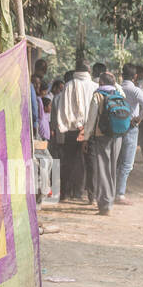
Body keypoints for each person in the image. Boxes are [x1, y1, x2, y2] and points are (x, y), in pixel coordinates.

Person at [78, 70, 126, 215]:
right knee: (111, 169)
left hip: (101, 136)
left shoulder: (98, 95)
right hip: (118, 136)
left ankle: (105, 205)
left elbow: (91, 119)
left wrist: (85, 138)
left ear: (101, 83)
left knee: (103, 170)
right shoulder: (119, 94)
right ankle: (109, 201)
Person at [53, 63, 97, 202]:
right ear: (89, 71)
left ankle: (64, 194)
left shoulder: (69, 85)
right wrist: (85, 127)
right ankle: (91, 196)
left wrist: (75, 124)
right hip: (90, 131)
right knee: (90, 163)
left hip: (72, 130)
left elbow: (63, 109)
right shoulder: (95, 86)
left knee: (69, 161)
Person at [116, 63, 143, 205]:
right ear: (135, 76)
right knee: (127, 162)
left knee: (117, 160)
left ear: (122, 74)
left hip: (116, 127)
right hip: (131, 127)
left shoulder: (116, 89)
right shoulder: (136, 90)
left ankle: (115, 190)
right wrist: (139, 118)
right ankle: (120, 193)